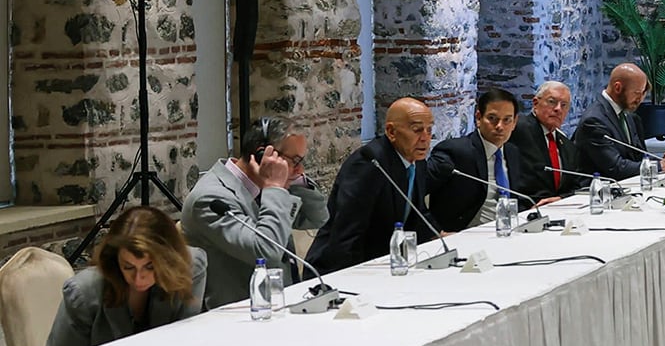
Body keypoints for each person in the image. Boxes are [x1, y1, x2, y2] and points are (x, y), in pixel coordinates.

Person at [182, 124, 318, 308]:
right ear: (263, 155)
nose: (300, 169)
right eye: (295, 160)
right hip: (236, 315)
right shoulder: (210, 199)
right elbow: (266, 251)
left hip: (279, 304)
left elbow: (317, 217)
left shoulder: (263, 183)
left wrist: (295, 181)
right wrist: (275, 188)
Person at [47, 206, 207, 346]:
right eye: (128, 267)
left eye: (150, 267)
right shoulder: (84, 292)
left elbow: (184, 341)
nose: (138, 278)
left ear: (168, 261)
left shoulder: (189, 268)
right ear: (114, 259)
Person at [305, 97, 443, 273]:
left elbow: (417, 211)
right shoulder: (369, 164)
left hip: (388, 262)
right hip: (341, 268)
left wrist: (440, 235)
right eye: (417, 129)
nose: (425, 138)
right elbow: (348, 232)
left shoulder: (416, 160)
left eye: (429, 130)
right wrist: (350, 280)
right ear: (391, 132)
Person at [425, 88, 533, 231]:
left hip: (507, 232)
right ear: (478, 118)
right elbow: (417, 192)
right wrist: (437, 232)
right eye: (492, 118)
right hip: (464, 235)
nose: (500, 126)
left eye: (507, 120)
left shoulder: (512, 152)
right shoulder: (455, 151)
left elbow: (517, 197)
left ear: (514, 123)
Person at [575, 63, 665, 178]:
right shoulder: (594, 121)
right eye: (636, 93)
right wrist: (660, 166)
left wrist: (661, 159)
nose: (639, 100)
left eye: (642, 94)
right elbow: (616, 167)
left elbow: (637, 156)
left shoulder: (627, 114)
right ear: (618, 87)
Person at [513, 81, 583, 199]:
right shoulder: (518, 129)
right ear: (535, 103)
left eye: (564, 105)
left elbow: (575, 186)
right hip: (525, 209)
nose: (558, 109)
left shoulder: (567, 144)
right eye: (552, 102)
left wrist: (560, 199)